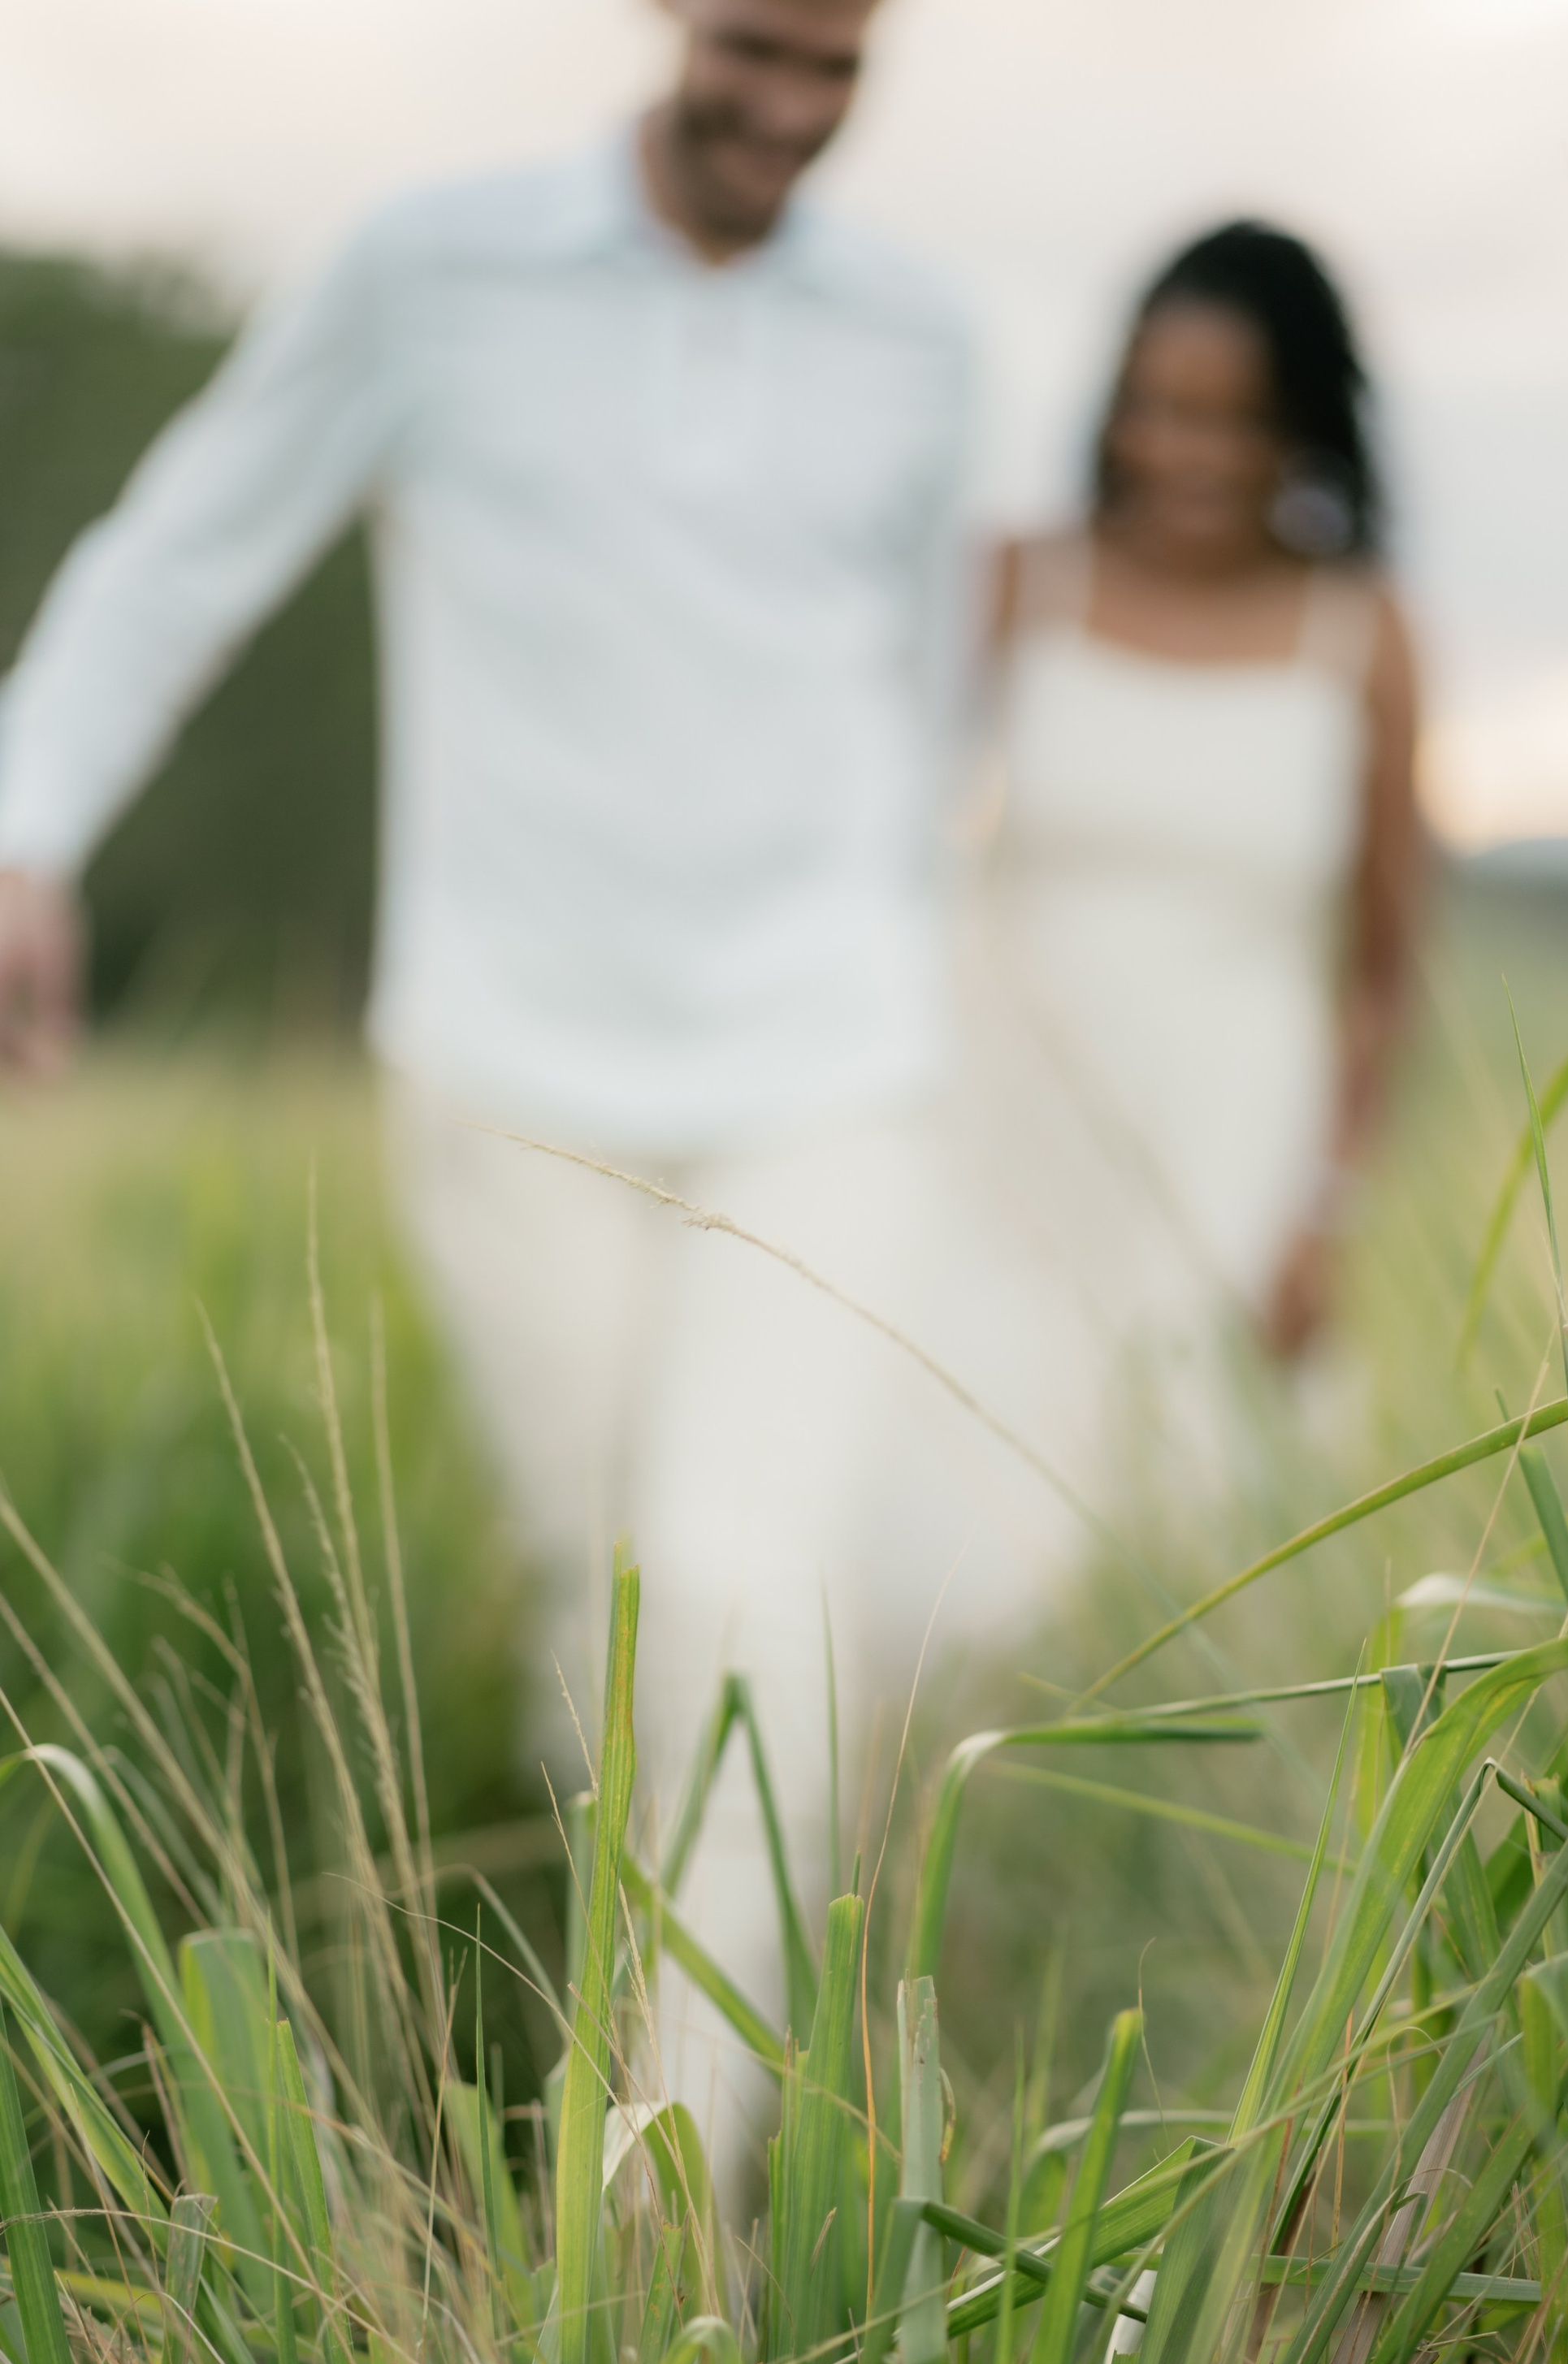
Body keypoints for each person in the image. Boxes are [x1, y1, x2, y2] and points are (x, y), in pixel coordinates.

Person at [0, 0, 986, 2207]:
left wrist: (922, 954)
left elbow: (930, 692)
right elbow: (185, 549)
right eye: (754, 50)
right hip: (512, 1063)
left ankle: (654, 2220)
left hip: (827, 1060)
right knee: (602, 1598)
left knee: (741, 1591)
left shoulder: (921, 340)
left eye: (837, 68)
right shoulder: (431, 271)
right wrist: (27, 821)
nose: (787, 110)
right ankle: (621, 1948)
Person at [955, 220, 1421, 1535]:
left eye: (1237, 420)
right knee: (968, 1503)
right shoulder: (1016, 584)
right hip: (994, 1130)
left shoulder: (1364, 636)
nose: (1187, 454)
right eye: (1157, 409)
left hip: (1234, 1155)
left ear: (1306, 430)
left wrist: (1322, 1218)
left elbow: (1384, 974)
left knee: (1189, 1519)